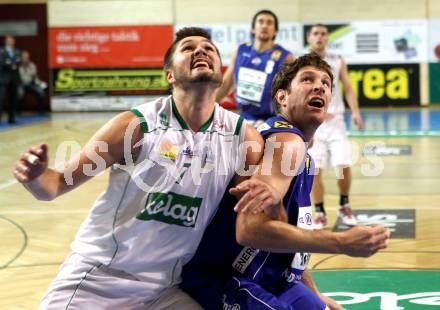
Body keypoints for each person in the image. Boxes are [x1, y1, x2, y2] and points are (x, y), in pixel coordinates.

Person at [13, 27, 264, 309]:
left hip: (166, 288)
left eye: (209, 48)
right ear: (169, 75)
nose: (201, 51)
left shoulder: (244, 137)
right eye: (188, 48)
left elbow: (246, 220)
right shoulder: (135, 126)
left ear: (221, 73)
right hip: (100, 278)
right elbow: (55, 185)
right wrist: (34, 177)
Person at [181, 54, 390, 310]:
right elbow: (249, 231)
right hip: (227, 278)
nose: (320, 86)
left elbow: (291, 236)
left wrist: (316, 295)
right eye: (307, 79)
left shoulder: (305, 157)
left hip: (277, 280)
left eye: (326, 83)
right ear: (282, 97)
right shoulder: (285, 141)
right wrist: (341, 242)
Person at [306, 24, 365, 229]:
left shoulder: (337, 60)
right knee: (314, 170)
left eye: (323, 34)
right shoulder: (302, 62)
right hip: (314, 123)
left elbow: (348, 87)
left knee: (343, 166)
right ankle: (320, 212)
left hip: (336, 121)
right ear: (309, 38)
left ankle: (344, 204)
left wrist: (356, 112)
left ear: (327, 38)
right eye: (316, 34)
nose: (320, 37)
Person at [216, 9, 294, 127]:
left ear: (275, 31)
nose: (264, 25)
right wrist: (208, 106)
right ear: (253, 29)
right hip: (244, 116)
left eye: (269, 23)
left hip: (272, 120)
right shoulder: (240, 50)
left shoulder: (285, 57)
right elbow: (227, 82)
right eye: (260, 22)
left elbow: (293, 93)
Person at [0, 35, 21, 124]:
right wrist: (12, 64)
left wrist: (10, 63)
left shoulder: (17, 51)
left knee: (13, 99)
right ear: (5, 41)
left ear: (13, 41)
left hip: (14, 79)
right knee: (1, 98)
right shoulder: (1, 51)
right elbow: (3, 63)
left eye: (11, 40)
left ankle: (11, 118)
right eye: (8, 40)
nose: (9, 42)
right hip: (4, 79)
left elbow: (19, 62)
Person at [18, 50, 47, 115]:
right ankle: (18, 111)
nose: (25, 59)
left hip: (31, 84)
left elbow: (35, 77)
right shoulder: (18, 66)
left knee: (40, 91)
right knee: (19, 92)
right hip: (21, 84)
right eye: (24, 57)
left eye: (27, 57)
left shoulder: (32, 65)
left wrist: (41, 84)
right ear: (21, 58)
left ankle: (41, 111)